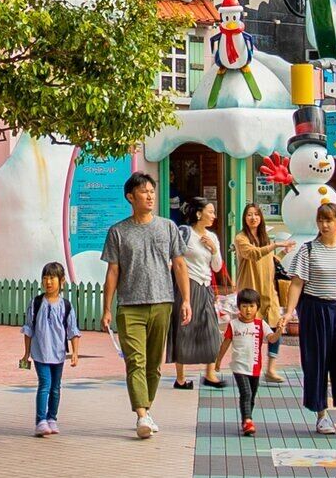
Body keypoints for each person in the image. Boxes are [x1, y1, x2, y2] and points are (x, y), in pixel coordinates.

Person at [101, 174, 186, 438]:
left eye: (152, 191)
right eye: (144, 192)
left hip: (163, 302)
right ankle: (141, 415)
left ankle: (146, 410)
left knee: (154, 365)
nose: (150, 196)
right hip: (130, 306)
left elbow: (180, 264)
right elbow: (113, 272)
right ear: (131, 197)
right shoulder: (118, 231)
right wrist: (106, 308)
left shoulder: (168, 227)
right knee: (135, 362)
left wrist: (187, 301)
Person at [293, 195, 336, 432]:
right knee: (316, 361)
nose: (325, 225)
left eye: (329, 220)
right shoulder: (308, 250)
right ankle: (321, 414)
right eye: (321, 220)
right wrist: (288, 312)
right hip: (315, 309)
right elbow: (297, 283)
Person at [21, 261, 79, 438]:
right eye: (45, 278)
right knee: (45, 384)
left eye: (52, 278)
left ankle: (52, 418)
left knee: (56, 387)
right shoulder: (36, 303)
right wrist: (26, 353)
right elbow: (28, 329)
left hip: (59, 354)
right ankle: (40, 421)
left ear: (62, 281)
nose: (48, 282)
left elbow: (73, 331)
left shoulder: (66, 306)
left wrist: (75, 353)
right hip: (40, 353)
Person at [179, 197, 227, 388]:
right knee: (185, 330)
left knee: (212, 330)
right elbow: (175, 259)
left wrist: (214, 250)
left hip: (205, 286)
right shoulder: (185, 233)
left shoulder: (212, 237)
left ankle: (210, 374)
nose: (214, 216)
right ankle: (180, 378)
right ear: (199, 214)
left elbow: (217, 267)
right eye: (210, 211)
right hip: (187, 286)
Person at [215, 281, 274, 435]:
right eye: (244, 306)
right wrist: (218, 360)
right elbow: (226, 343)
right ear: (239, 307)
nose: (248, 310)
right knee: (246, 393)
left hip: (255, 366)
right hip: (238, 366)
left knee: (252, 396)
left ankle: (246, 420)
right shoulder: (233, 324)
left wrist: (279, 331)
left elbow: (272, 338)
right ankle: (248, 421)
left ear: (257, 307)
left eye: (252, 306)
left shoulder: (261, 324)